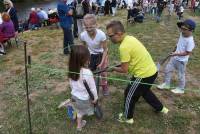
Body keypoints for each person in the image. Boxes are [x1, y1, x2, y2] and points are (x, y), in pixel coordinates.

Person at [106, 21, 169, 124]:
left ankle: (127, 118)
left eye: (110, 36)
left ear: (119, 33)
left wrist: (113, 68)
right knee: (144, 91)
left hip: (143, 75)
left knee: (129, 94)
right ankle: (161, 108)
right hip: (152, 71)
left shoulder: (123, 47)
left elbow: (124, 70)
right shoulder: (130, 38)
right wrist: (121, 64)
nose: (109, 38)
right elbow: (132, 59)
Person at [157, 19, 196, 94]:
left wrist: (176, 54)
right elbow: (179, 43)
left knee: (181, 75)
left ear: (191, 30)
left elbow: (187, 53)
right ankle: (166, 84)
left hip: (181, 61)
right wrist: (174, 50)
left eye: (184, 29)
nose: (182, 30)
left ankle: (181, 89)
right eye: (181, 28)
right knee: (167, 70)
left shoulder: (190, 41)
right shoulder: (182, 34)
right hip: (174, 58)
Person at [68, 45, 98, 131]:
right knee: (81, 111)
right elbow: (92, 88)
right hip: (83, 99)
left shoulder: (71, 69)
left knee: (78, 110)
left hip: (74, 96)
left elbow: (71, 84)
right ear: (84, 59)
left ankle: (78, 125)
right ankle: (79, 125)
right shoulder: (87, 72)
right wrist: (95, 98)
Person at [80, 14, 109, 96]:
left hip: (101, 54)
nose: (88, 29)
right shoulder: (83, 35)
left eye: (91, 27)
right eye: (86, 27)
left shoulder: (101, 35)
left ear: (96, 25)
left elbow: (105, 50)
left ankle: (105, 86)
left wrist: (102, 62)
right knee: (91, 72)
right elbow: (84, 47)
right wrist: (86, 58)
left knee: (103, 72)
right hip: (91, 54)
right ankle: (92, 87)